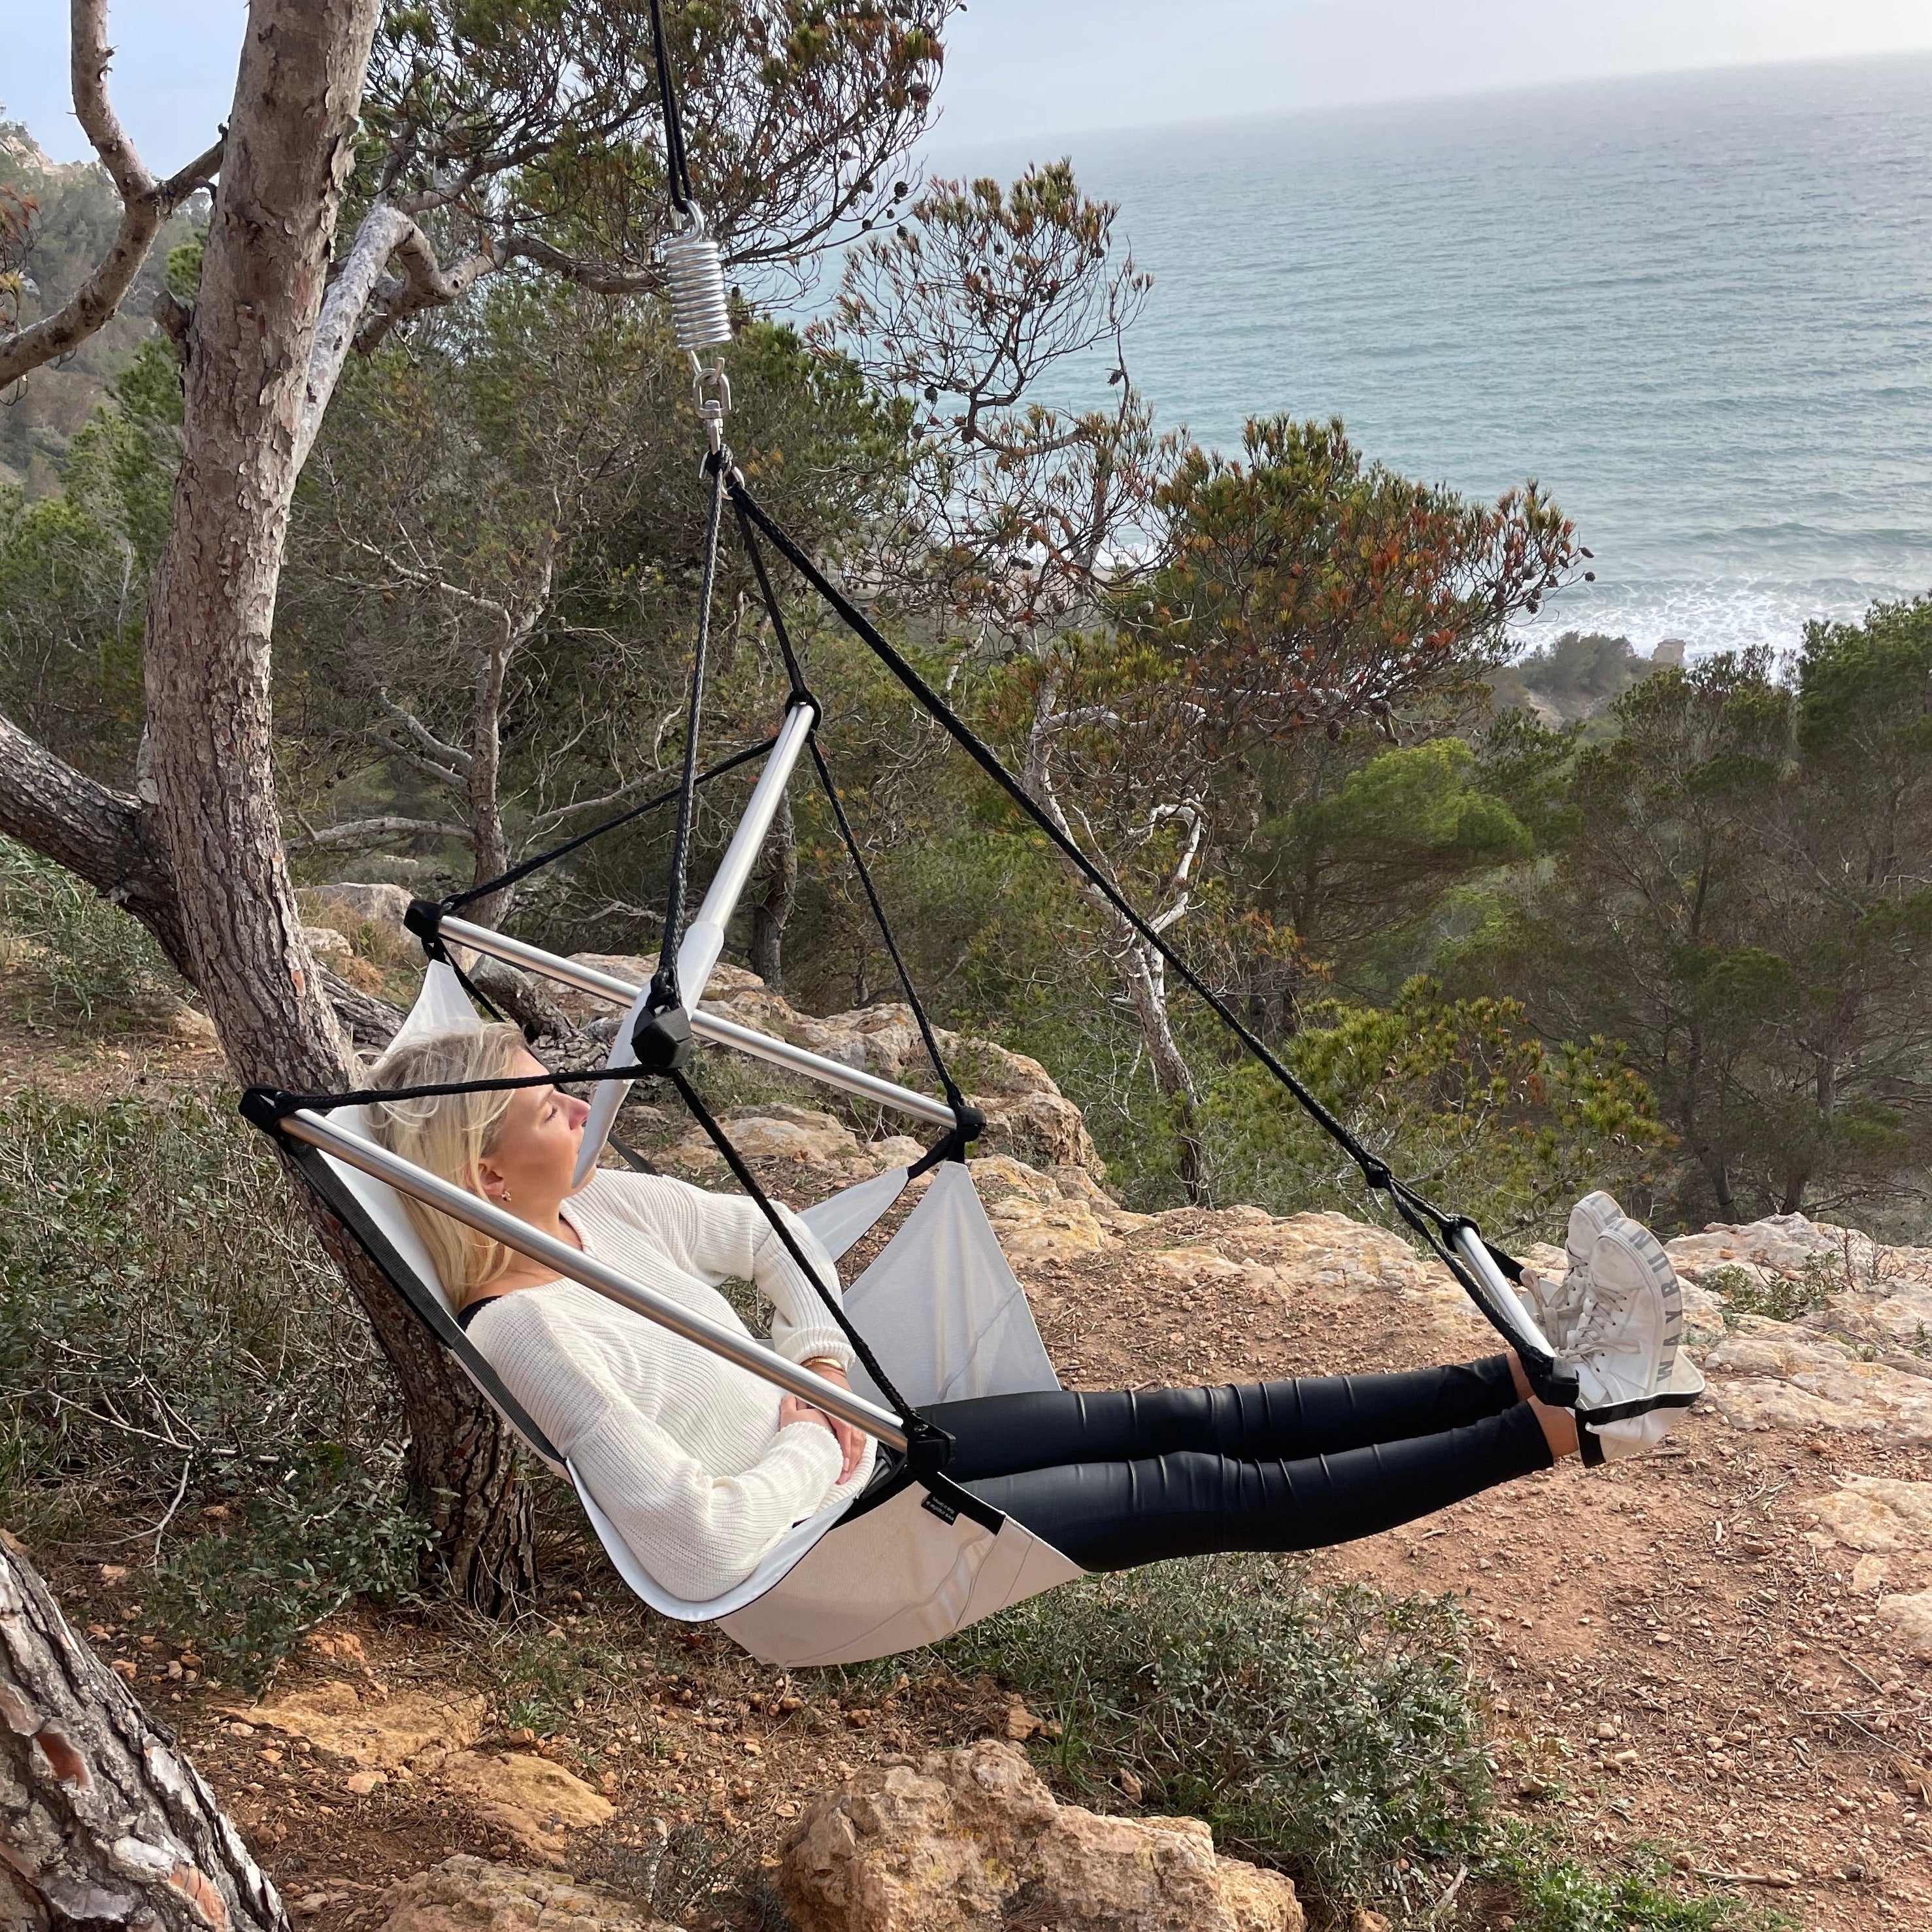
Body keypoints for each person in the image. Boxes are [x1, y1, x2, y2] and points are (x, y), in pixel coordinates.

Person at [367, 1025, 1690, 1602]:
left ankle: (1541, 1372)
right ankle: (1569, 1433)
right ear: (482, 1169)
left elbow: (776, 1243)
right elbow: (695, 1544)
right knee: (1196, 1480)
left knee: (1193, 1411)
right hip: (831, 1546)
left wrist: (814, 1358)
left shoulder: (606, 1210)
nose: (578, 1103)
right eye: (546, 1100)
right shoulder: (526, 1328)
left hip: (876, 1434)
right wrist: (809, 1445)